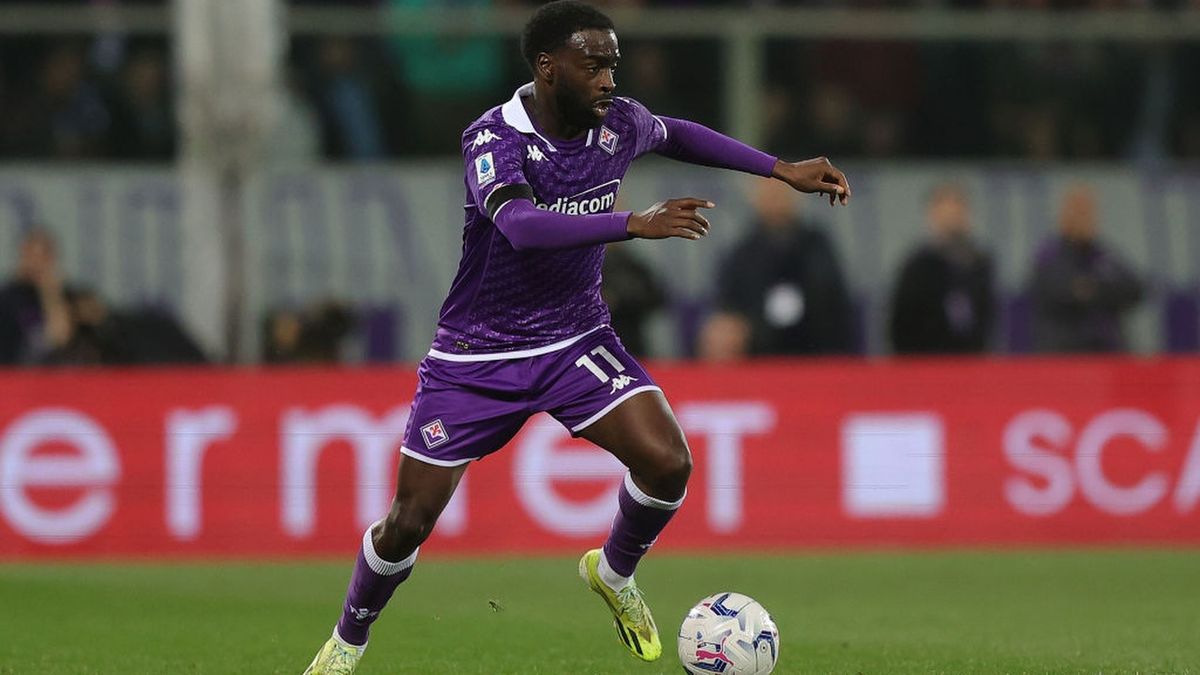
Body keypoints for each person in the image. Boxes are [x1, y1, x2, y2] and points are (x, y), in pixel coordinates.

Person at [302, 2, 851, 672]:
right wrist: (631, 223)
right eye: (593, 65)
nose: (608, 79)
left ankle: (614, 574)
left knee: (668, 462)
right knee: (408, 521)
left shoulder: (617, 123)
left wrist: (778, 168)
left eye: (612, 65)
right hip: (477, 355)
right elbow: (523, 227)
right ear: (547, 67)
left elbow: (675, 133)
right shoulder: (493, 138)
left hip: (573, 338)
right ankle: (346, 643)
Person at [710, 177, 855, 356]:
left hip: (814, 348)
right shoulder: (742, 253)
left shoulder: (816, 245)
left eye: (780, 192)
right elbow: (729, 305)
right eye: (769, 193)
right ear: (754, 198)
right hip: (758, 350)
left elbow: (831, 300)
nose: (775, 199)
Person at [1029, 185, 1143, 354]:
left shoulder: (1103, 254)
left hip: (1106, 354)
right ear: (1063, 215)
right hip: (1063, 357)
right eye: (1078, 211)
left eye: (1089, 212)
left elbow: (1135, 288)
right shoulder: (1049, 254)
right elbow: (1061, 291)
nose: (1084, 219)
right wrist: (1103, 290)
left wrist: (1092, 288)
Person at [889, 183, 995, 355]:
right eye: (947, 212)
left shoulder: (980, 264)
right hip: (927, 363)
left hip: (970, 363)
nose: (953, 218)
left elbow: (987, 320)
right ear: (933, 215)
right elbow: (901, 325)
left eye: (958, 210)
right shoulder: (918, 267)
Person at [0, 229, 73, 364]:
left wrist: (51, 293)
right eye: (30, 256)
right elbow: (53, 338)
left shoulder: (65, 295)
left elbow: (62, 338)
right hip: (13, 376)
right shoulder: (8, 298)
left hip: (54, 378)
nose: (36, 263)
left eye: (42, 257)